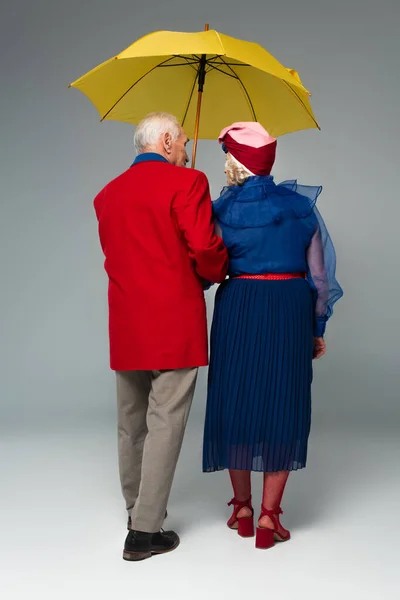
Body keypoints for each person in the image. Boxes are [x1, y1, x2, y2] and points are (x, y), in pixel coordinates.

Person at [94, 112, 228, 561]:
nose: (187, 147)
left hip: (127, 323)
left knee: (130, 423)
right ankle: (145, 533)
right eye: (185, 140)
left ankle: (136, 510)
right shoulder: (188, 182)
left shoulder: (107, 195)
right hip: (173, 322)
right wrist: (213, 274)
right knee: (165, 423)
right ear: (167, 140)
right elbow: (207, 251)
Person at [203, 122, 343, 549]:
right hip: (288, 309)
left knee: (236, 398)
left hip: (240, 305)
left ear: (233, 162)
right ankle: (268, 519)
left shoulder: (219, 211)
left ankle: (242, 509)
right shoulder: (299, 207)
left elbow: (206, 269)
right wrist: (316, 328)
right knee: (284, 401)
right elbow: (320, 279)